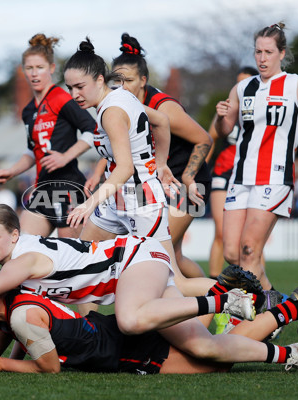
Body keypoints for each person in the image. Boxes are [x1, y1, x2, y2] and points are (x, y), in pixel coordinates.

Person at [0, 204, 298, 366]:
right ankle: (285, 313)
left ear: (13, 237)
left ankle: (224, 298)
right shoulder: (13, 277)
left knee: (132, 320)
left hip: (135, 258)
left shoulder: (19, 265)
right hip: (125, 273)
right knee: (204, 350)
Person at [0, 256, 298, 374]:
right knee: (212, 350)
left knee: (212, 356)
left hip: (129, 342)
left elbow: (49, 367)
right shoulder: (7, 311)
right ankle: (286, 308)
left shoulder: (20, 316)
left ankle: (279, 319)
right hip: (119, 336)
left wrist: (6, 364)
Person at [63, 37, 216, 298]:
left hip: (142, 200)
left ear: (100, 80)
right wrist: (161, 163)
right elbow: (160, 121)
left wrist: (88, 204)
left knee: (173, 282)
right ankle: (90, 332)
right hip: (119, 199)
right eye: (69, 87)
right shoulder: (119, 97)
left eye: (79, 86)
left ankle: (250, 295)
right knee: (83, 266)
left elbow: (124, 168)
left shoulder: (111, 111)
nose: (74, 94)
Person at [214, 23, 298, 290]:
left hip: (274, 177)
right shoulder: (242, 88)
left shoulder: (297, 85)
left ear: (281, 53)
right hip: (241, 176)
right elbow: (225, 131)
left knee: (248, 250)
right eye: (258, 52)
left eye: (268, 52)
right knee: (232, 253)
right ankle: (273, 301)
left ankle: (256, 320)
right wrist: (222, 117)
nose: (262, 58)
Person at [0, 33, 96, 239]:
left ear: (52, 68)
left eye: (40, 67)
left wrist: (65, 156)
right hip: (42, 189)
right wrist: (12, 171)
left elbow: (92, 129)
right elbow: (33, 149)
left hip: (68, 188)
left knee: (70, 259)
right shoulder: (28, 110)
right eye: (29, 68)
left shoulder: (60, 98)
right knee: (22, 249)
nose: (34, 73)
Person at [207, 67, 260, 279]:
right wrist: (199, 169)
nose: (241, 87)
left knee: (251, 239)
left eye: (246, 82)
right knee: (221, 232)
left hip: (252, 175)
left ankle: (256, 285)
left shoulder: (264, 108)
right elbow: (210, 138)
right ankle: (212, 287)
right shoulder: (228, 107)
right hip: (224, 172)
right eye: (238, 83)